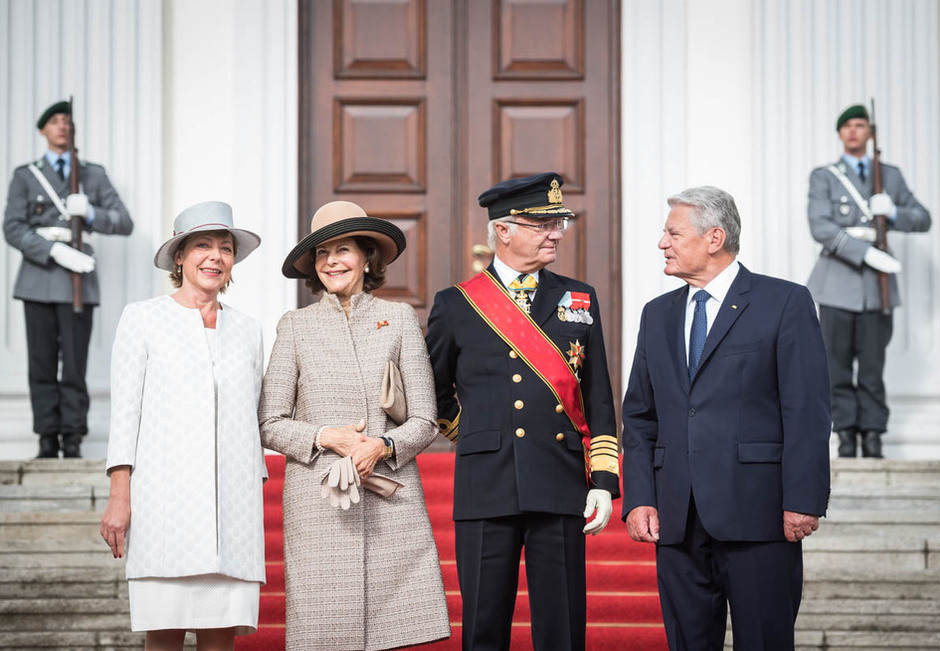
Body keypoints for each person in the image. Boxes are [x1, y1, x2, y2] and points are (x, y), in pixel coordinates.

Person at [621, 186, 831, 651]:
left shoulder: (785, 303)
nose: (662, 243)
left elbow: (807, 412)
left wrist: (804, 499)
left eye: (673, 233)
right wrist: (639, 497)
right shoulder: (657, 314)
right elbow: (638, 415)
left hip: (759, 513)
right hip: (677, 519)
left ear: (714, 238)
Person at [426, 172, 620, 650]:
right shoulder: (456, 304)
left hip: (560, 479)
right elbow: (431, 391)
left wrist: (603, 482)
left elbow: (597, 395)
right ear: (504, 229)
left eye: (559, 222)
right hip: (486, 481)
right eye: (541, 223)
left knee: (562, 628)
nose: (555, 232)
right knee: (484, 626)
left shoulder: (579, 297)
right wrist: (476, 433)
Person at [258, 200, 450, 650]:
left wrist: (380, 446)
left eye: (342, 250)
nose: (331, 262)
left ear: (367, 257)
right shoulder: (295, 326)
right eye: (322, 254)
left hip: (390, 496)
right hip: (318, 500)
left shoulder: (399, 318)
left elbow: (425, 417)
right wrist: (327, 436)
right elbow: (269, 422)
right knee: (325, 632)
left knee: (396, 631)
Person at [99, 201, 266, 649]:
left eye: (225, 248)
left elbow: (253, 415)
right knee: (165, 635)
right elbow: (125, 414)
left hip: (232, 508)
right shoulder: (143, 318)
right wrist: (120, 496)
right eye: (203, 246)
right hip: (164, 507)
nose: (215, 256)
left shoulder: (249, 330)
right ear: (179, 256)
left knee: (219, 637)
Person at [2, 100, 133, 459]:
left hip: (79, 282)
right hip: (39, 278)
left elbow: (123, 222)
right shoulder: (26, 175)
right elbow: (12, 227)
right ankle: (47, 438)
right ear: (43, 130)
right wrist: (51, 250)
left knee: (74, 364)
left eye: (67, 121)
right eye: (55, 121)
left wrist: (91, 212)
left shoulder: (92, 173)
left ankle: (72, 437)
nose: (62, 126)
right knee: (41, 363)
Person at [807, 104, 932, 458]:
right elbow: (821, 226)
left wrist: (893, 213)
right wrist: (865, 253)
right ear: (840, 133)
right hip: (838, 282)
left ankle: (873, 436)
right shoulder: (825, 176)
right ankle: (846, 436)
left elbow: (922, 218)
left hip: (877, 289)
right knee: (837, 365)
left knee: (873, 367)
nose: (853, 131)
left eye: (860, 125)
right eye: (846, 126)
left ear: (870, 132)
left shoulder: (889, 176)